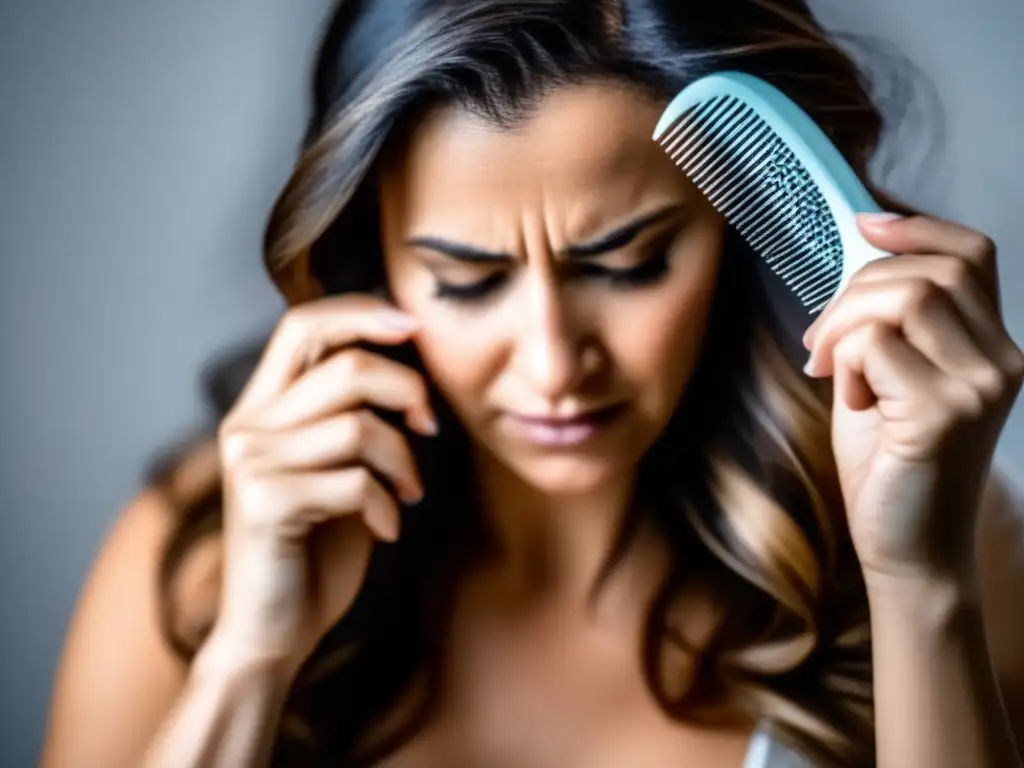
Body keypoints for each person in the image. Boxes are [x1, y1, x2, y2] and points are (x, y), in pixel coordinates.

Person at [39, 1, 1024, 766]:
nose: (553, 364)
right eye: (466, 280)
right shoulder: (198, 564)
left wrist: (917, 585)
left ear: (733, 223)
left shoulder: (944, 539)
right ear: (370, 255)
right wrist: (251, 657)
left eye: (628, 263)